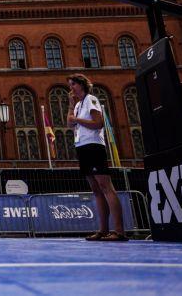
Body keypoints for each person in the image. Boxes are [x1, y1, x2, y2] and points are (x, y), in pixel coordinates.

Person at [67, 73, 127, 241]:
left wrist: (77, 119)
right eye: (70, 85)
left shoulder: (91, 100)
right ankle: (103, 230)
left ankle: (119, 231)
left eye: (73, 84)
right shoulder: (78, 104)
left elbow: (98, 123)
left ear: (82, 85)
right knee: (96, 190)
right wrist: (71, 106)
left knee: (106, 187)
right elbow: (69, 124)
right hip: (82, 146)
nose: (70, 88)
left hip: (94, 146)